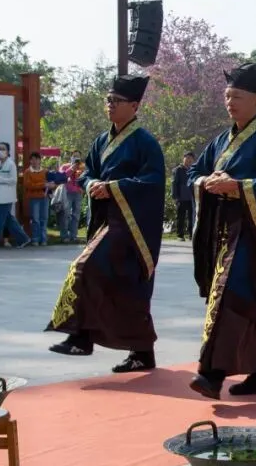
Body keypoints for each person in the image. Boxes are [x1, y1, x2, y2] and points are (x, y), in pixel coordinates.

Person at [188, 61, 256, 399]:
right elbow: (194, 173)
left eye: (237, 95)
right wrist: (205, 181)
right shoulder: (220, 141)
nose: (230, 101)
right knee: (244, 302)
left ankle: (212, 373)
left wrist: (237, 187)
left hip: (252, 235)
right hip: (223, 234)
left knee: (228, 295)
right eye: (226, 95)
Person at [46, 75, 166, 373]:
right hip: (106, 221)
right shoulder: (102, 140)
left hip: (132, 227)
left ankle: (82, 336)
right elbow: (86, 173)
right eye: (108, 100)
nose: (110, 106)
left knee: (84, 267)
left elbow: (153, 182)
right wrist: (92, 183)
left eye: (117, 101)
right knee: (123, 288)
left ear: (135, 106)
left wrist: (114, 187)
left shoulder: (145, 143)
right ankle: (141, 352)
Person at [0, 141, 31, 250]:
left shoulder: (11, 164)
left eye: (3, 149)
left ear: (8, 151)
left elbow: (13, 180)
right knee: (8, 220)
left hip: (7, 197)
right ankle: (24, 238)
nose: (0, 151)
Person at [23, 151, 52, 246]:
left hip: (45, 197)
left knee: (44, 218)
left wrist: (51, 185)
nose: (34, 161)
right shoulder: (28, 172)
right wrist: (42, 185)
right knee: (35, 219)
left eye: (36, 159)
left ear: (40, 160)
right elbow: (28, 185)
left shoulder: (45, 171)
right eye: (32, 159)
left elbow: (51, 183)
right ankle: (35, 239)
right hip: (34, 198)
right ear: (30, 161)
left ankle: (43, 239)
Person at [58, 154, 84, 243]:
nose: (76, 160)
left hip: (78, 193)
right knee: (65, 214)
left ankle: (74, 236)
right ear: (71, 158)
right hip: (67, 192)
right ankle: (64, 236)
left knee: (76, 215)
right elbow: (62, 177)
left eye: (78, 158)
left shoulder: (82, 167)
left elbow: (84, 178)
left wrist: (82, 187)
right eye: (74, 157)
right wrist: (72, 168)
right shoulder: (65, 166)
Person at [171, 152, 196, 241]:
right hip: (181, 197)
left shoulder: (193, 170)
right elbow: (174, 183)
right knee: (180, 217)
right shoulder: (178, 170)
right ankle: (180, 235)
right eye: (187, 158)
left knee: (191, 217)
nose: (189, 160)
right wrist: (175, 196)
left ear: (193, 160)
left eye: (191, 158)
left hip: (191, 197)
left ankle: (191, 234)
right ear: (183, 158)